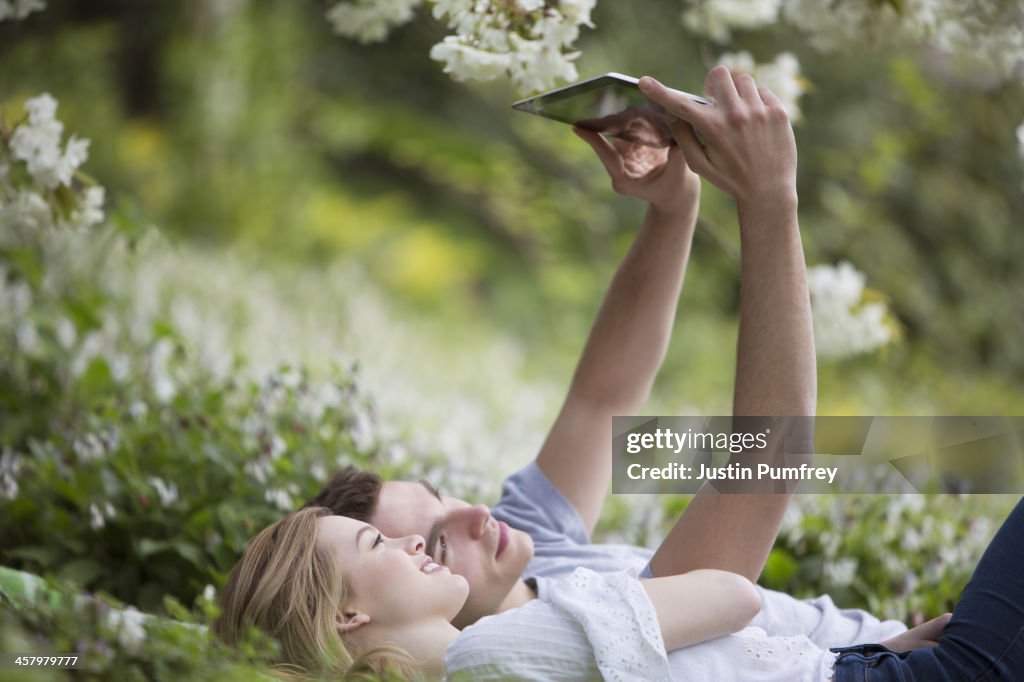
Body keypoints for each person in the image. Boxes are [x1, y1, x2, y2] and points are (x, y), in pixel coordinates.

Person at [304, 64, 904, 647]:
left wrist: (672, 206)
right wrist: (770, 197)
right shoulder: (606, 635)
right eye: (437, 546)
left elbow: (601, 397)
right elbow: (768, 450)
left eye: (443, 498)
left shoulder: (526, 552)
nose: (477, 513)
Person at [215, 495, 1021, 681]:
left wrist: (880, 650)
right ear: (348, 613)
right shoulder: (499, 651)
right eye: (377, 542)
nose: (404, 541)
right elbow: (734, 595)